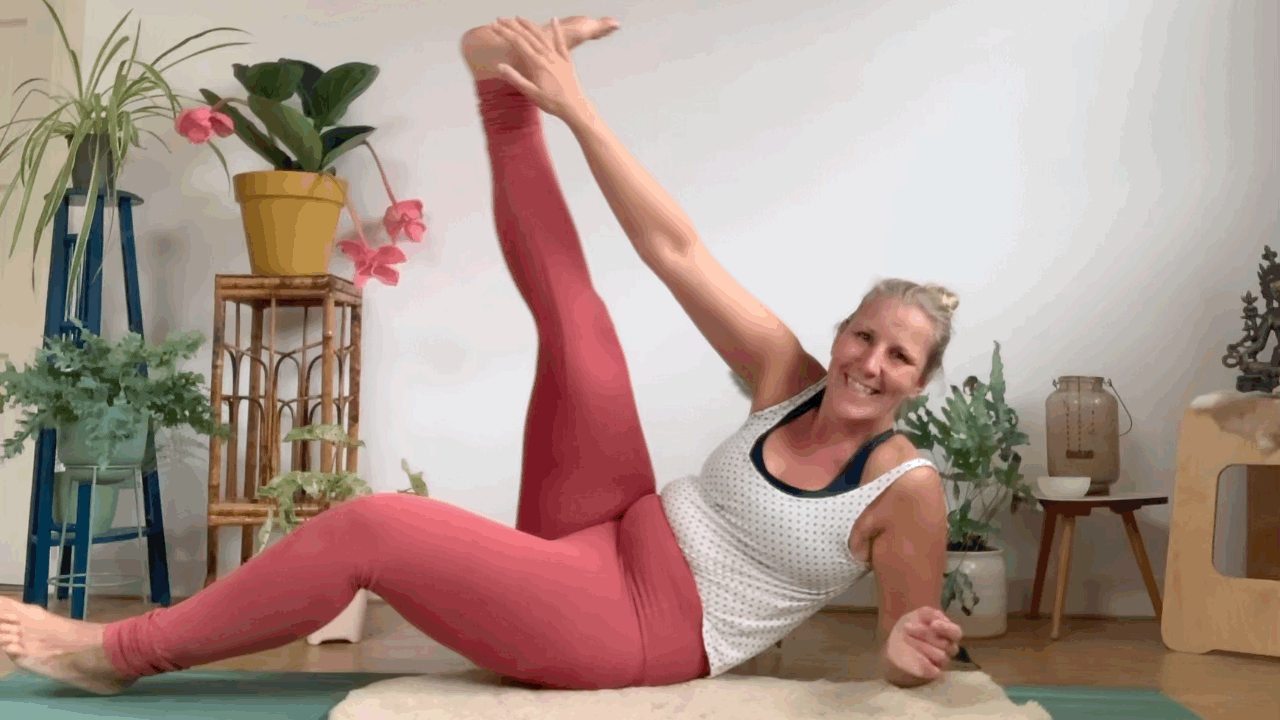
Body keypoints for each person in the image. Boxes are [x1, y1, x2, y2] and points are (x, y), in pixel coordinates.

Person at [0, 15, 963, 697]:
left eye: (900, 357)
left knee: (374, 527)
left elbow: (904, 640)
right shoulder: (788, 380)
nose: (871, 363)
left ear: (919, 383)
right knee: (582, 330)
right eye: (864, 336)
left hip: (637, 627)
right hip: (613, 525)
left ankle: (118, 652)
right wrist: (574, 109)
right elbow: (674, 249)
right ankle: (506, 95)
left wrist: (906, 652)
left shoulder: (904, 488)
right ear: (840, 335)